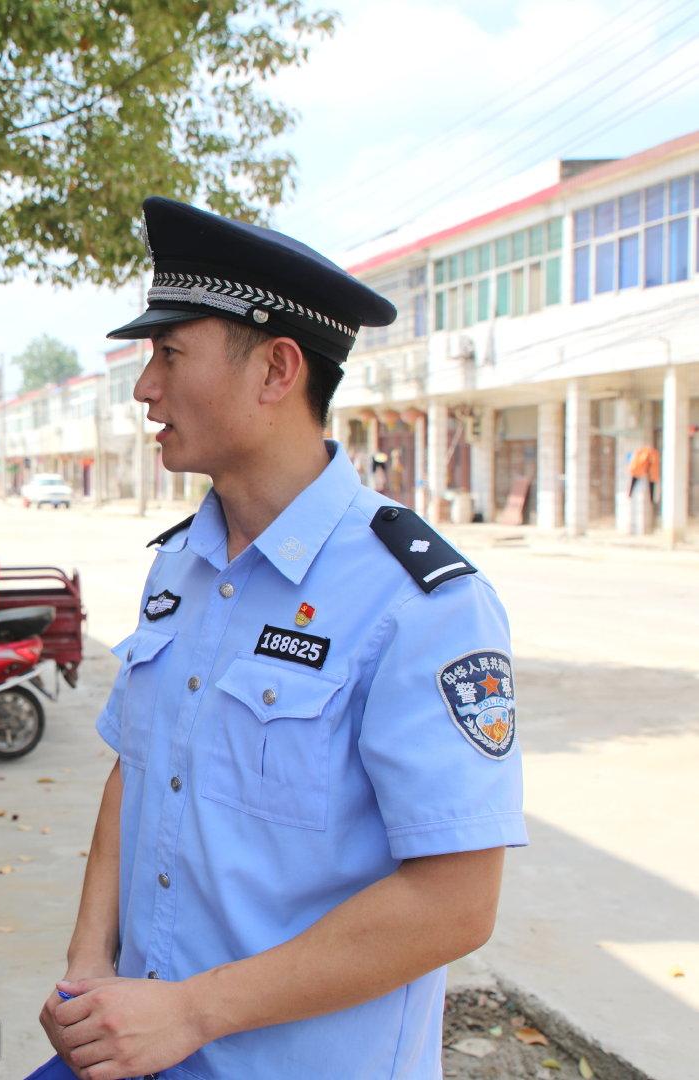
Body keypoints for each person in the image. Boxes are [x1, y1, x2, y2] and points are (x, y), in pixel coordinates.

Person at [40, 197, 525, 1079]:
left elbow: (456, 905)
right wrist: (88, 968)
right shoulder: (180, 566)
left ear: (276, 370)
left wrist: (193, 1010)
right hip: (141, 1053)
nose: (146, 387)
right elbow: (136, 768)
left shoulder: (418, 604)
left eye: (169, 353)